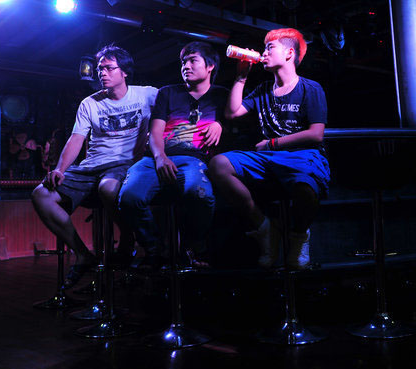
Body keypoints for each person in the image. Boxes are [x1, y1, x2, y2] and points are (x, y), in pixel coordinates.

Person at [31, 45, 157, 288]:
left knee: (108, 188)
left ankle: (130, 242)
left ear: (125, 72)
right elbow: (76, 138)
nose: (103, 73)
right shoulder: (89, 103)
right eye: (100, 69)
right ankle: (82, 253)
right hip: (91, 167)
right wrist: (59, 169)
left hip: (124, 164)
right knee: (41, 194)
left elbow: (174, 107)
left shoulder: (147, 95)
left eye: (109, 68)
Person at [209, 28, 330, 269]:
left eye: (269, 48)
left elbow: (316, 134)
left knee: (306, 187)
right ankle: (264, 226)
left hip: (301, 155)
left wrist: (272, 143)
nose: (263, 53)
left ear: (289, 53)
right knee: (218, 164)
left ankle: (298, 236)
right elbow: (232, 113)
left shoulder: (310, 88)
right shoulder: (263, 90)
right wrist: (241, 78)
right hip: (267, 157)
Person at [119, 42, 227, 269]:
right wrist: (159, 157)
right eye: (183, 62)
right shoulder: (167, 93)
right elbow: (155, 132)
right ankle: (155, 249)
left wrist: (220, 124)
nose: (186, 66)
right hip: (156, 158)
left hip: (195, 159)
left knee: (199, 194)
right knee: (129, 197)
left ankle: (192, 245)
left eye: (192, 60)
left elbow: (236, 117)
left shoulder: (221, 96)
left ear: (210, 66)